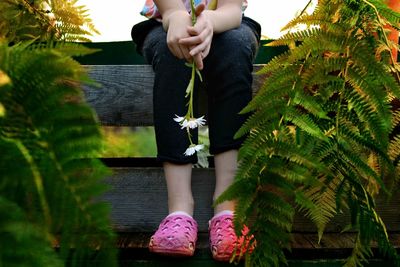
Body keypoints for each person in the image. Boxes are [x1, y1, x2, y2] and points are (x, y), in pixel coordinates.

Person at [131, 0, 261, 261]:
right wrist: (176, 16)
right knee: (174, 52)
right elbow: (169, 10)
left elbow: (232, 10)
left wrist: (209, 22)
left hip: (226, 24)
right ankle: (179, 210)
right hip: (165, 25)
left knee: (235, 47)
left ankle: (228, 208)